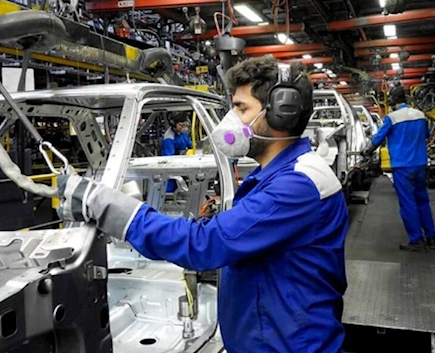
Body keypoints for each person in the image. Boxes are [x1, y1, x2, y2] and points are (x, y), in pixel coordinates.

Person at [57, 57, 349, 353]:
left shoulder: (297, 185)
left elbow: (205, 244)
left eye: (241, 108)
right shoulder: (276, 176)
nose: (231, 120)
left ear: (281, 113)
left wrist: (107, 207)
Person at [361, 84, 435, 252]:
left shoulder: (392, 118)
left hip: (403, 167)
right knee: (422, 200)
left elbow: (377, 139)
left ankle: (416, 240)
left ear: (393, 100)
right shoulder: (421, 116)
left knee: (408, 202)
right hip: (420, 164)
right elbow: (426, 135)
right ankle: (432, 237)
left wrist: (365, 151)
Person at [161, 112, 193, 192]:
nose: (183, 127)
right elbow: (169, 159)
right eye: (181, 125)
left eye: (184, 125)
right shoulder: (169, 138)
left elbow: (190, 144)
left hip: (183, 165)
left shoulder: (183, 133)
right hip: (172, 171)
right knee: (170, 190)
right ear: (173, 124)